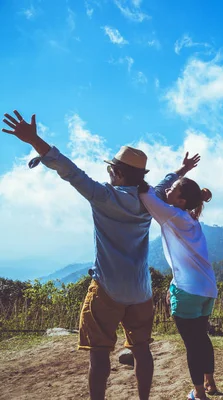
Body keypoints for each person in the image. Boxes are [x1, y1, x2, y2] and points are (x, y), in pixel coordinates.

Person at [1, 110, 197, 400]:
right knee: (142, 349)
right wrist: (181, 171)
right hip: (140, 291)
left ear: (117, 173)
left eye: (110, 170)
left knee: (100, 352)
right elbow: (164, 183)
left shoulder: (103, 196)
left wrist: (34, 140)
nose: (108, 174)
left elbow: (69, 171)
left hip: (107, 289)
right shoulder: (149, 199)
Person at [138, 155, 219, 400]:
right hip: (208, 289)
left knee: (192, 344)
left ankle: (198, 393)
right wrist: (180, 171)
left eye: (172, 190)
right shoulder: (190, 219)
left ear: (181, 200)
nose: (168, 191)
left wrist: (175, 172)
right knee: (201, 338)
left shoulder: (172, 215)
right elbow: (157, 192)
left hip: (188, 291)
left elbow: (146, 193)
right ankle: (210, 384)